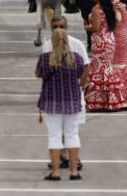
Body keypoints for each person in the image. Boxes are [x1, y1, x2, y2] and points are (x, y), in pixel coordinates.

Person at [36, 27, 88, 181]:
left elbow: (38, 73)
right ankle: (74, 171)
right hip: (72, 99)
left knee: (55, 135)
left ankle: (55, 172)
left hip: (52, 101)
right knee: (72, 134)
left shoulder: (46, 58)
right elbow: (81, 73)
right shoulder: (76, 57)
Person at [84, 0, 127, 111]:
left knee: (98, 68)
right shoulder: (109, 8)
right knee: (107, 69)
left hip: (99, 41)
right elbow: (115, 24)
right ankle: (109, 100)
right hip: (109, 39)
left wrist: (87, 27)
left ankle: (98, 100)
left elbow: (96, 27)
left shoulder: (96, 9)